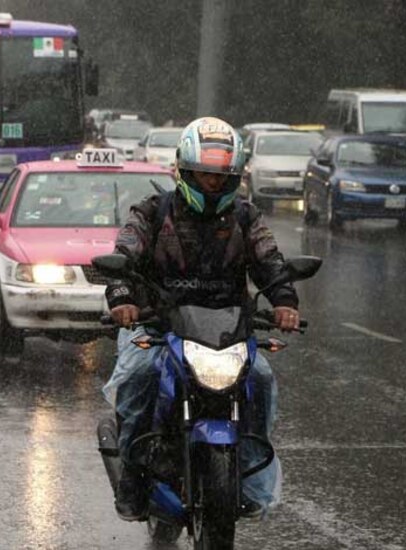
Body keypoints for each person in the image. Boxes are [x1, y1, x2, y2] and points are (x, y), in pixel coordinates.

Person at [103, 117, 301, 521]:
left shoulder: (246, 217)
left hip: (229, 335)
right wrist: (123, 299)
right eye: (205, 174)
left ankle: (250, 474)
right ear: (184, 171)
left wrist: (285, 301)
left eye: (222, 176)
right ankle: (132, 477)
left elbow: (270, 261)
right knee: (139, 376)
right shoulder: (152, 213)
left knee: (261, 380)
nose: (213, 183)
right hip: (158, 327)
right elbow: (123, 257)